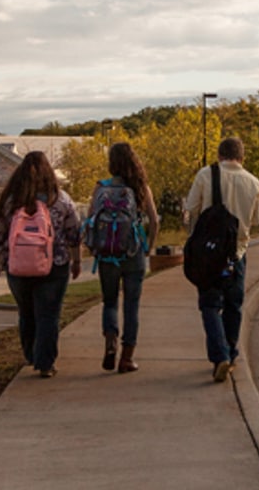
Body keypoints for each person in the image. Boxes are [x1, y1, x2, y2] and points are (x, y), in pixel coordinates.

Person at [0, 150, 81, 378]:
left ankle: (31, 354)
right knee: (49, 314)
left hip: (17, 267)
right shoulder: (61, 200)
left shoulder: (10, 201)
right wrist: (76, 260)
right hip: (54, 265)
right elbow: (74, 232)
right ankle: (45, 363)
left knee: (26, 312)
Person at [182, 136, 259, 382]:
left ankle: (220, 356)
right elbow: (258, 219)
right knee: (233, 305)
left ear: (219, 155)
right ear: (242, 157)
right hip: (237, 253)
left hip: (209, 254)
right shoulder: (254, 182)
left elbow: (191, 207)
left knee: (209, 304)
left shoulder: (206, 175)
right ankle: (231, 350)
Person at [88, 142, 159, 373]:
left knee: (109, 301)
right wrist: (149, 247)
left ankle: (110, 343)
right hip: (133, 252)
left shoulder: (100, 188)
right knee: (131, 305)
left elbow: (90, 220)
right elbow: (155, 221)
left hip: (108, 254)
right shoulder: (140, 187)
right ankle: (127, 358)